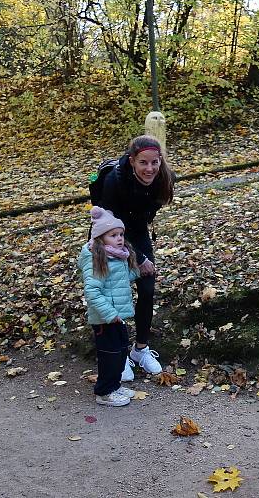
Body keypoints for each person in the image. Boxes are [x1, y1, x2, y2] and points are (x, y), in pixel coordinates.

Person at [99, 135, 175, 379]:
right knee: (114, 292)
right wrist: (139, 257)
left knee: (147, 287)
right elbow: (111, 226)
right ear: (132, 161)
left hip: (137, 230)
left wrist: (142, 257)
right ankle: (117, 354)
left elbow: (151, 209)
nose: (150, 168)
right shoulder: (114, 181)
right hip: (108, 234)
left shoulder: (164, 177)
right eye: (143, 162)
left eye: (155, 162)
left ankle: (140, 350)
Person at [78, 206, 140, 406]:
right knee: (109, 356)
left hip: (117, 316)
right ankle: (104, 392)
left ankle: (115, 385)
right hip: (105, 319)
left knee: (121, 351)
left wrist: (137, 272)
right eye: (113, 235)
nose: (119, 238)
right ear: (100, 238)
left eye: (121, 234)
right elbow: (92, 292)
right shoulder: (97, 259)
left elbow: (119, 282)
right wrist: (110, 313)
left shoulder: (117, 255)